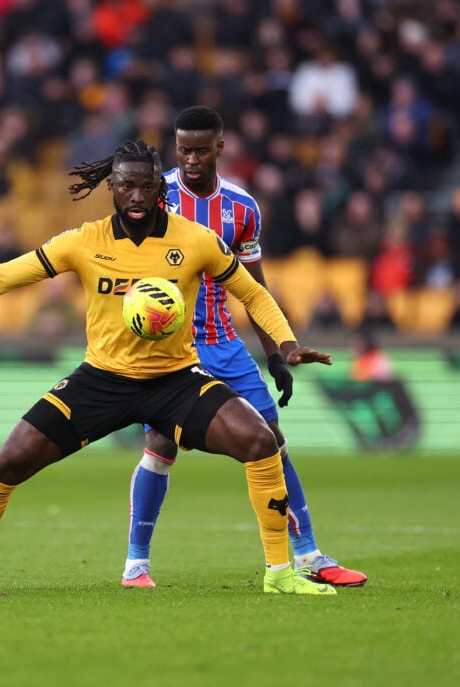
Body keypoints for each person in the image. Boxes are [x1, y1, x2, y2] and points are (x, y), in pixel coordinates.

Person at [0, 139, 337, 595]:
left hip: (175, 379)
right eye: (126, 184)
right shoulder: (83, 241)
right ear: (111, 186)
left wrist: (287, 342)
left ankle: (280, 572)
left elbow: (252, 291)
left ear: (160, 190)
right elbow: (4, 276)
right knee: (10, 459)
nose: (136, 195)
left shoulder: (196, 241)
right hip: (101, 380)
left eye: (146, 186)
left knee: (259, 440)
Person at [121, 107, 367, 589]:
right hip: (170, 347)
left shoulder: (242, 207)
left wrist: (275, 353)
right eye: (182, 149)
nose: (190, 159)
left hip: (224, 344)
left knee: (272, 442)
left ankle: (309, 555)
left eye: (200, 149)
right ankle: (136, 563)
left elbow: (254, 288)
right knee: (160, 443)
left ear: (220, 148)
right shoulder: (155, 195)